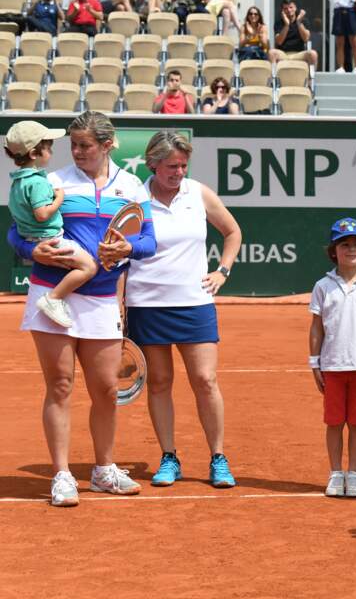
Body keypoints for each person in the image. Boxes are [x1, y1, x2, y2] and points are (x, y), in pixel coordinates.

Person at [6, 111, 156, 507]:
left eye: (85, 145)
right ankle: (61, 474)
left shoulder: (132, 186)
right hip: (51, 293)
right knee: (59, 386)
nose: (76, 152)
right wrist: (28, 248)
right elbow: (15, 230)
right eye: (73, 144)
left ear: (107, 145)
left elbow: (149, 242)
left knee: (106, 390)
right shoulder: (52, 181)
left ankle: (105, 470)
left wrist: (128, 248)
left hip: (103, 297)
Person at [126, 131, 240, 489]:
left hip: (194, 303)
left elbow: (232, 231)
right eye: (172, 166)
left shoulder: (198, 192)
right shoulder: (134, 199)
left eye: (183, 165)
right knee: (160, 383)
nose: (179, 172)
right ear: (153, 165)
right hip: (146, 303)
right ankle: (169, 456)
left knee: (205, 381)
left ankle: (218, 458)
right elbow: (120, 254)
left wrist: (223, 270)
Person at [309, 217, 356, 498]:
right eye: (344, 245)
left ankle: (353, 473)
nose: (351, 250)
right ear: (334, 251)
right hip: (332, 365)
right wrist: (314, 362)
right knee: (333, 423)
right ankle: (334, 473)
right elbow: (317, 327)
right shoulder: (322, 286)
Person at [5, 122, 96, 329]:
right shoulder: (36, 182)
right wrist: (59, 199)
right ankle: (53, 298)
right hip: (50, 240)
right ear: (34, 153)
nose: (51, 151)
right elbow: (42, 214)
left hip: (37, 238)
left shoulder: (18, 181)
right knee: (89, 267)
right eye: (48, 147)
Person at [273, 0, 318, 68]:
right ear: (282, 11)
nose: (289, 10)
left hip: (299, 53)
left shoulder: (303, 21)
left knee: (313, 54)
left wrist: (298, 22)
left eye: (291, 7)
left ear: (295, 8)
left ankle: (310, 78)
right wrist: (287, 25)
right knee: (271, 53)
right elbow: (279, 42)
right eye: (286, 8)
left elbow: (306, 39)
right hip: (283, 54)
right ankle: (273, 78)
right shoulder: (278, 23)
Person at [332, 0, 356, 72]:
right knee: (339, 43)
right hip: (338, 10)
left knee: (354, 43)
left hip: (351, 10)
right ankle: (341, 67)